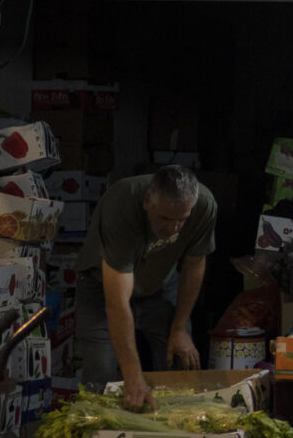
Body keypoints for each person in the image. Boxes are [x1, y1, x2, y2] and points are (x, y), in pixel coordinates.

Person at [75, 165, 215, 412]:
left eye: (182, 220)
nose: (173, 228)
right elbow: (118, 302)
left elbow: (194, 264)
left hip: (161, 285)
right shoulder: (121, 205)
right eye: (164, 218)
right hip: (101, 288)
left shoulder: (204, 205)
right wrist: (133, 376)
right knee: (101, 372)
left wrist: (180, 327)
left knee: (179, 361)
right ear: (148, 201)